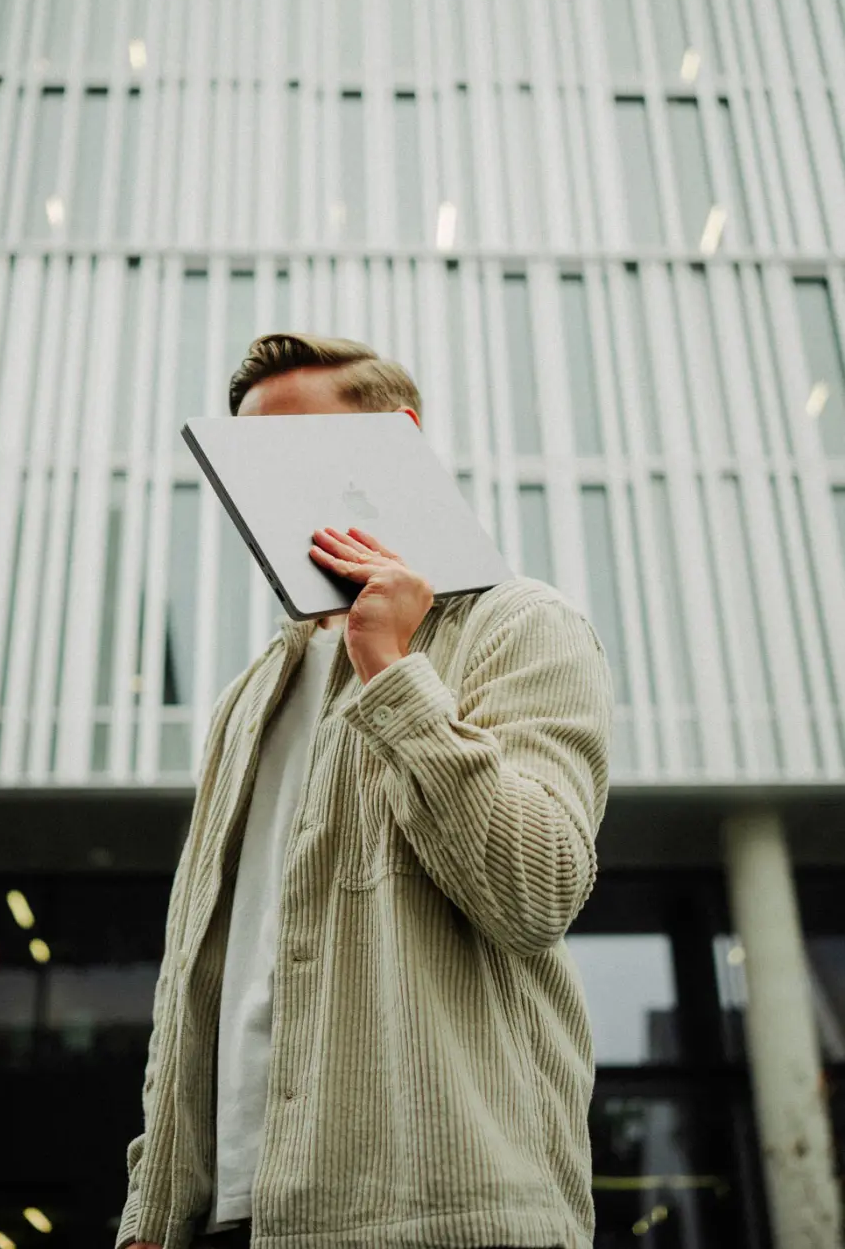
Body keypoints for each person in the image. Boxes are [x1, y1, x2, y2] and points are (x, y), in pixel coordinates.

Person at [118, 333, 614, 1249]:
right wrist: (151, 1208)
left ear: (400, 441)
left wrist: (391, 669)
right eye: (250, 461)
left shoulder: (520, 624)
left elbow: (537, 889)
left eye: (297, 448)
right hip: (232, 1218)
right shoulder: (247, 699)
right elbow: (196, 973)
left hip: (444, 1215)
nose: (272, 485)